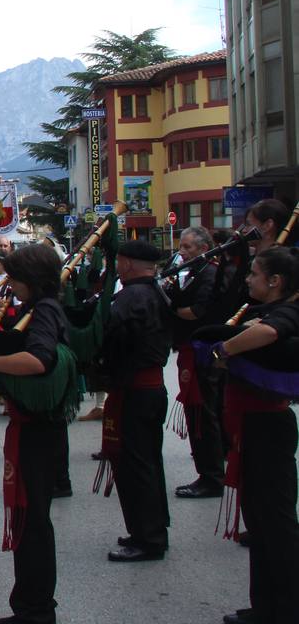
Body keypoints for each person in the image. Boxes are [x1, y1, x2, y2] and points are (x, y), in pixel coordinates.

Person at [0, 244, 67, 624]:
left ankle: (35, 613)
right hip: (35, 429)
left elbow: (38, 361)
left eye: (14, 276)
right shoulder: (41, 306)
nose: (9, 283)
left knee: (32, 522)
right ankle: (32, 605)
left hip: (37, 431)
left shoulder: (45, 310)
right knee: (32, 521)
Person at [210, 248, 299, 624]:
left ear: (276, 281)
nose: (249, 280)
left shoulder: (287, 311)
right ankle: (264, 605)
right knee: (258, 522)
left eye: (255, 274)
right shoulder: (259, 306)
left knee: (278, 525)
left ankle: (291, 619)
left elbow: (268, 334)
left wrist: (226, 350)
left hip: (270, 424)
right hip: (249, 423)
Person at [99, 238, 173, 562]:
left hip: (135, 389)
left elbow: (113, 339)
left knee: (136, 465)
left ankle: (148, 538)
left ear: (126, 264)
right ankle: (153, 527)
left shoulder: (130, 297)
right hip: (152, 387)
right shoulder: (155, 291)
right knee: (149, 462)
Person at [167, 226, 223, 499]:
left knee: (203, 413)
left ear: (204, 248)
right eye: (181, 245)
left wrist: (171, 308)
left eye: (188, 247)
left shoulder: (209, 273)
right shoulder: (197, 272)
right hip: (191, 349)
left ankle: (211, 477)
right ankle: (208, 472)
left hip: (200, 352)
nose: (182, 251)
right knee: (199, 413)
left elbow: (197, 312)